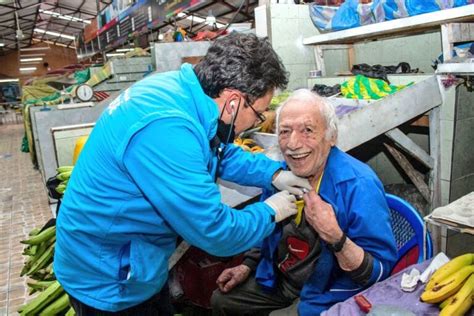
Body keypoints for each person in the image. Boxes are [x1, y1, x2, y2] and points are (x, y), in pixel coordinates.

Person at [54, 33, 312, 315]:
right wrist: (269, 213)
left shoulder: (183, 94)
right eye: (259, 113)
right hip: (108, 275)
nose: (257, 122)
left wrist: (272, 173)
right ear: (234, 101)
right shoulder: (166, 128)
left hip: (133, 258)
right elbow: (214, 231)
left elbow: (216, 150)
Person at [211, 89, 398, 315]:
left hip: (330, 289)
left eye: (307, 130)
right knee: (222, 300)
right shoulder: (281, 175)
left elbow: (379, 273)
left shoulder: (359, 185)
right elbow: (267, 235)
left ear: (331, 137)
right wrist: (247, 265)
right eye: (285, 131)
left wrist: (335, 237)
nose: (293, 144)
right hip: (282, 279)